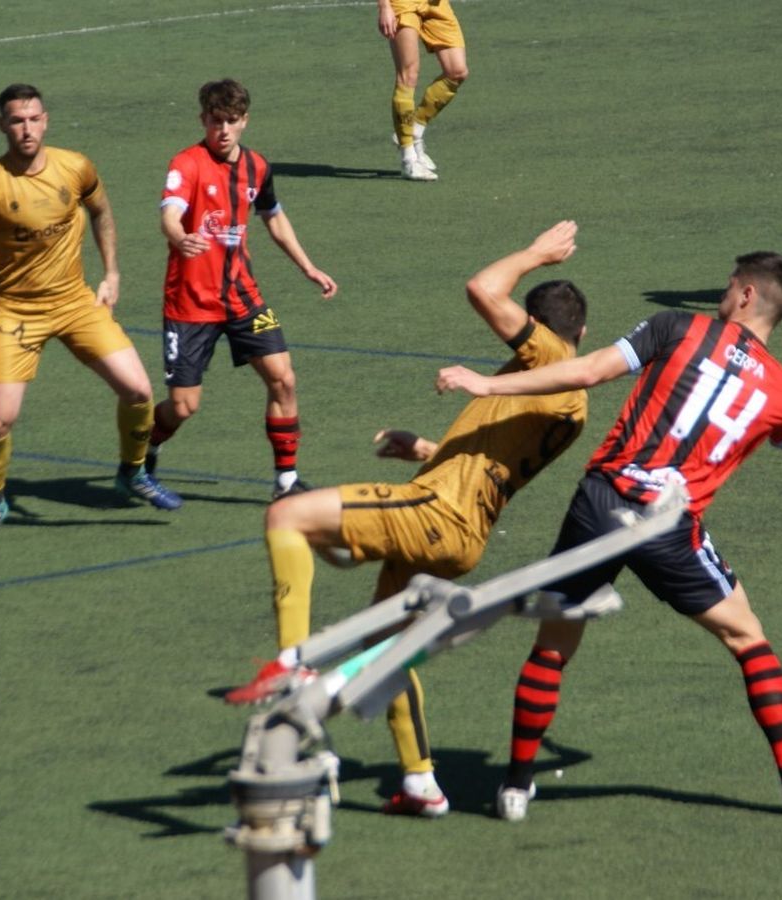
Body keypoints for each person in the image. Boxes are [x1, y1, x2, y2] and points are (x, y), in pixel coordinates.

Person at [437, 252, 782, 822]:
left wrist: (486, 383)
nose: (723, 295)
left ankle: (514, 786)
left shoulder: (678, 325)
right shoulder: (781, 392)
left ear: (748, 295)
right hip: (667, 526)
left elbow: (588, 371)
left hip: (601, 504)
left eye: (729, 287)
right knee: (748, 641)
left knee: (556, 641)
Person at [234, 222, 589, 817]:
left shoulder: (548, 357)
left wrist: (534, 253)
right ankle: (420, 780)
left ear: (539, 333)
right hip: (460, 527)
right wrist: (426, 449)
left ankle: (294, 667)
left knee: (288, 514)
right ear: (585, 331)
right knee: (385, 647)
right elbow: (495, 459)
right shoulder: (557, 395)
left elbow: (482, 288)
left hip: (436, 514)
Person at [0, 82, 178, 542]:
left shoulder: (75, 166)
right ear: (2, 125)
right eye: (17, 120)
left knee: (137, 390)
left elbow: (101, 211)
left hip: (76, 302)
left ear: (46, 119)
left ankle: (132, 472)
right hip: (17, 312)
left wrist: (111, 273)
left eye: (34, 118)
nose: (26, 128)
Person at [151, 79, 339, 500]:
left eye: (231, 122)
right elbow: (170, 211)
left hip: (242, 297)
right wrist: (179, 237)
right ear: (203, 120)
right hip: (191, 303)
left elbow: (272, 215)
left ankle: (286, 482)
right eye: (215, 121)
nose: (223, 130)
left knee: (283, 379)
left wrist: (307, 266)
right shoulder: (187, 164)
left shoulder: (257, 167)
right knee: (183, 406)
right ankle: (143, 450)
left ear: (244, 121)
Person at [379, 0, 469, 182]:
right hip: (402, 4)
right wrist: (384, 6)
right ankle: (408, 160)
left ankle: (414, 130)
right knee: (408, 75)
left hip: (436, 3)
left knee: (457, 72)